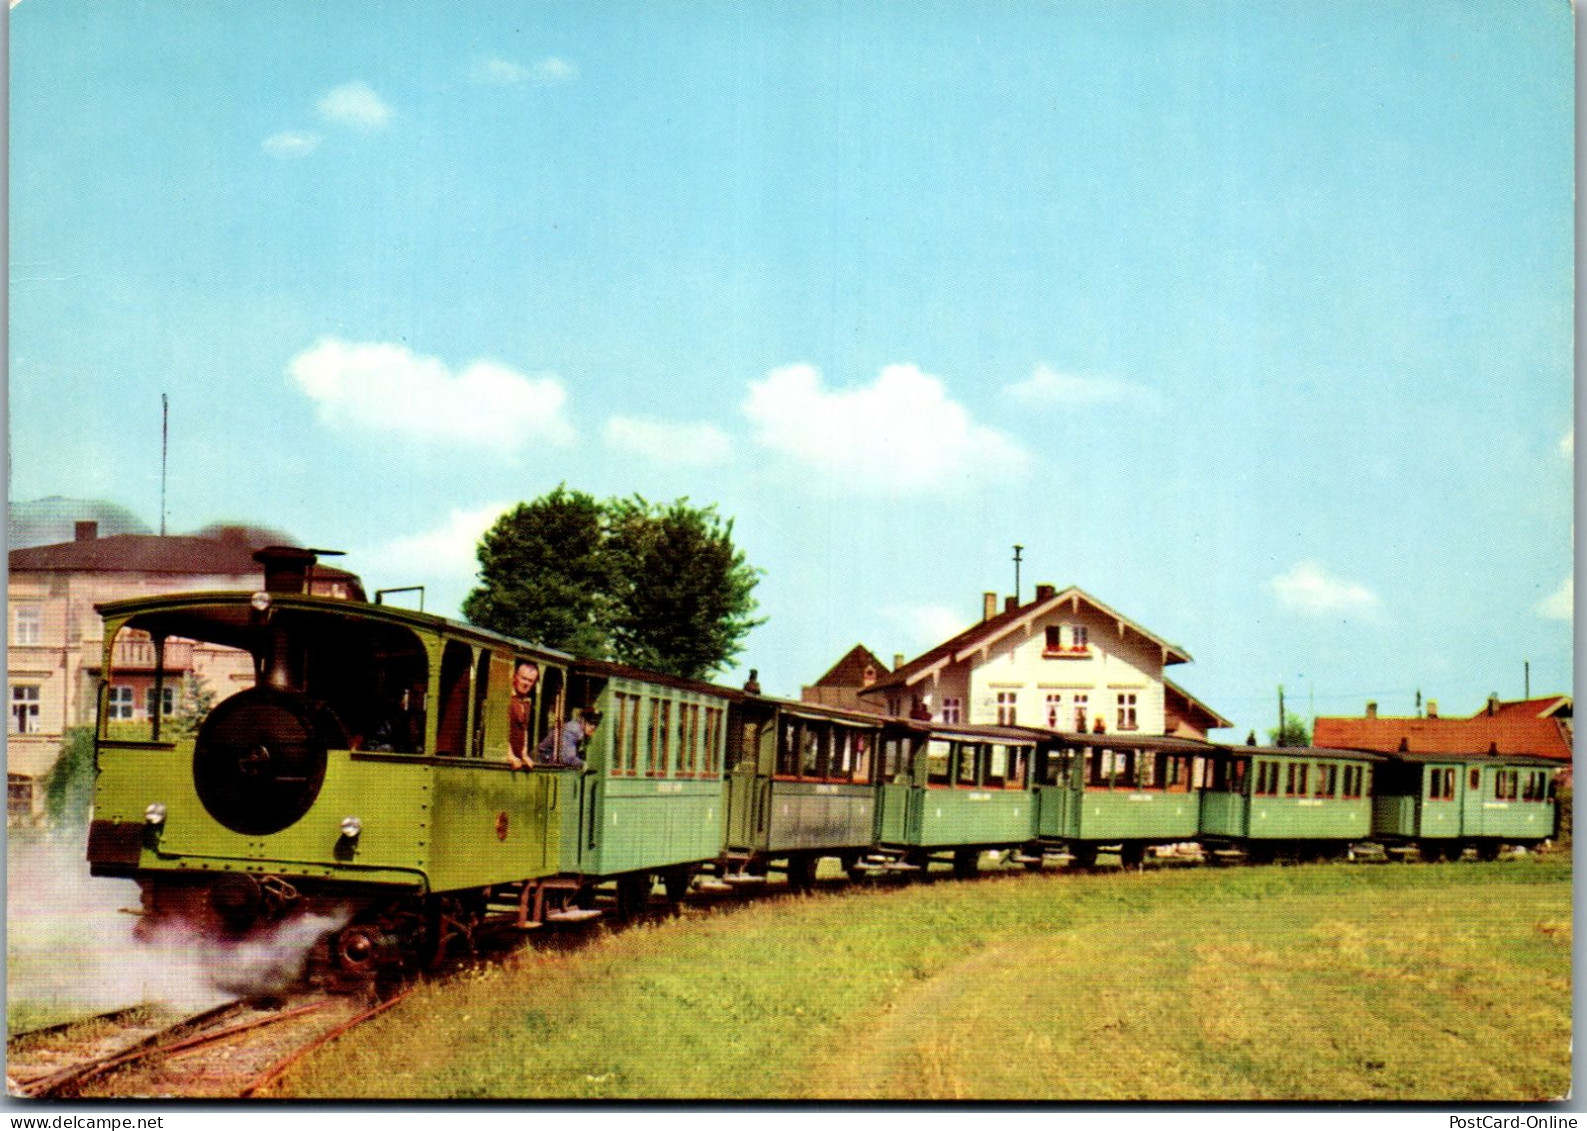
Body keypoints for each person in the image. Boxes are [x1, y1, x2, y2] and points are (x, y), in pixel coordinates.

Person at [506, 659, 540, 770]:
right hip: (505, 759)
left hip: (518, 760)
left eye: (530, 681)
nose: (526, 683)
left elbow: (524, 730)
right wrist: (510, 755)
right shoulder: (506, 698)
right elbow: (500, 731)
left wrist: (524, 755)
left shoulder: (526, 703)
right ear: (515, 676)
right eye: (523, 678)